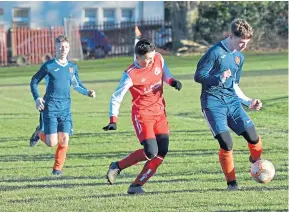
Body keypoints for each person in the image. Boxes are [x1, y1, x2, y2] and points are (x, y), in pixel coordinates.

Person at [103, 38, 182, 194]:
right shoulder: (130, 74)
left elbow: (164, 72)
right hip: (143, 115)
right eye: (147, 59)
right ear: (138, 57)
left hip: (160, 113)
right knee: (150, 152)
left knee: (162, 151)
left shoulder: (158, 58)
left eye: (152, 57)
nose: (151, 61)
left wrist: (172, 81)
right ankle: (117, 166)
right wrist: (113, 119)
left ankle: (136, 185)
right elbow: (116, 97)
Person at [194, 18, 263, 191]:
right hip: (213, 103)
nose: (244, 46)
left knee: (253, 137)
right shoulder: (215, 52)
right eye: (241, 42)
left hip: (232, 102)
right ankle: (232, 183)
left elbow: (234, 84)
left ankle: (257, 164)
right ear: (230, 36)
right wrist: (217, 78)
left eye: (246, 43)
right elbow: (199, 76)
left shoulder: (239, 57)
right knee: (226, 143)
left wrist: (248, 102)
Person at [30, 35, 95, 175]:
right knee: (51, 142)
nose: (63, 49)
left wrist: (87, 92)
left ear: (69, 48)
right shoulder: (49, 66)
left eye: (65, 47)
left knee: (65, 139)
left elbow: (77, 85)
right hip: (50, 107)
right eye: (60, 47)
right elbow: (34, 81)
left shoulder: (72, 67)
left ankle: (57, 170)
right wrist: (37, 98)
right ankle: (38, 133)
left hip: (65, 108)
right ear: (55, 48)